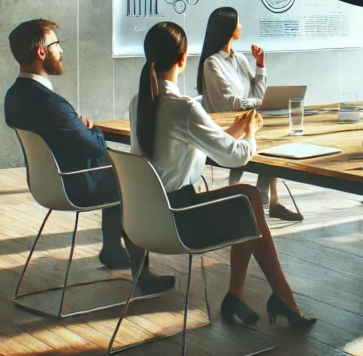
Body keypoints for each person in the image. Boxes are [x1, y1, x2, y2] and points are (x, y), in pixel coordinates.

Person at [129, 22, 315, 329]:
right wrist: (252, 132)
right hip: (179, 221)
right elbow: (237, 156)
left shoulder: (140, 102)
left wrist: (238, 129)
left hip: (146, 219)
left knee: (244, 199)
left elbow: (198, 146)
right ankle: (281, 296)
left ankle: (238, 296)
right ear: (182, 58)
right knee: (249, 196)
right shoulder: (184, 107)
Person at [3, 19, 174, 294]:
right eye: (56, 44)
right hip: (74, 184)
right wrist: (91, 130)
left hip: (47, 184)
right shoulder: (51, 104)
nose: (62, 50)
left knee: (115, 174)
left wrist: (78, 128)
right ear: (41, 52)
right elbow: (95, 148)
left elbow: (64, 138)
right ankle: (142, 276)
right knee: (131, 180)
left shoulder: (14, 96)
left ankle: (111, 250)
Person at [198, 7, 301, 222]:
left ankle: (270, 199)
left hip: (249, 123)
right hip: (228, 127)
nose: (241, 25)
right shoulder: (212, 63)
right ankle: (262, 196)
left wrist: (260, 66)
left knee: (276, 138)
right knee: (270, 139)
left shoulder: (242, 60)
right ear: (228, 27)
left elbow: (256, 94)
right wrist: (259, 104)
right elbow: (229, 103)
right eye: (238, 21)